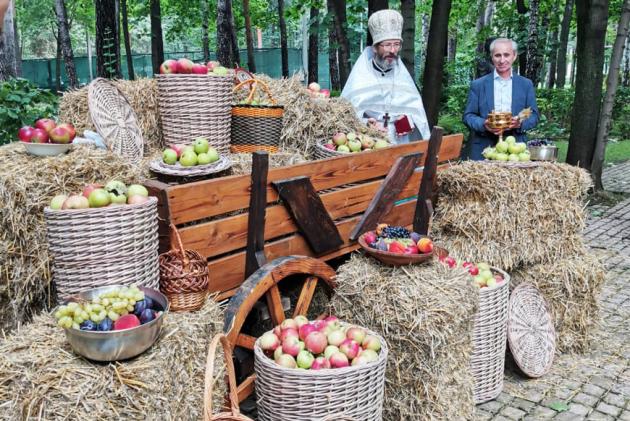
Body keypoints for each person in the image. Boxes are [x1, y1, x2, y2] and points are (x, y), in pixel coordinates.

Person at [341, 9, 430, 144]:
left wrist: (406, 122)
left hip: (401, 142)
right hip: (369, 142)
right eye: (387, 45)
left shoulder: (403, 77)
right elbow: (345, 115)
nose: (393, 50)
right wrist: (366, 123)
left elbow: (418, 116)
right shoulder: (360, 77)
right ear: (375, 48)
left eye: (396, 44)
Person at [462, 38, 540, 160]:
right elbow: (468, 116)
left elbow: (532, 113)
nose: (502, 60)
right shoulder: (478, 85)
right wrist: (484, 124)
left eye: (506, 55)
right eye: (497, 55)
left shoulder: (526, 84)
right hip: (483, 149)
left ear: (514, 56)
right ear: (492, 57)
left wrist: (520, 122)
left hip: (515, 150)